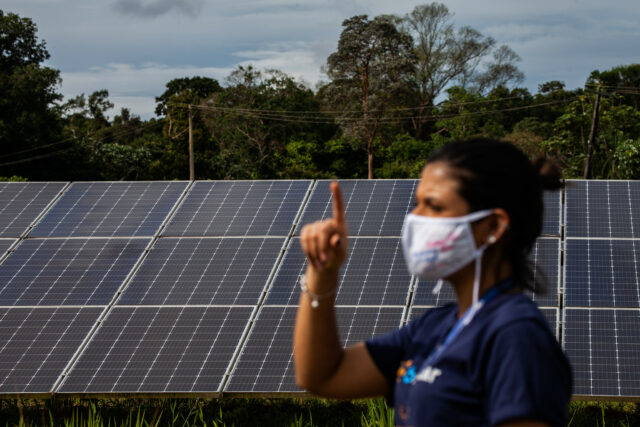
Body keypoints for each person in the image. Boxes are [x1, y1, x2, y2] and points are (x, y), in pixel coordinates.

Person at [294, 138, 572, 427]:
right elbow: (322, 375)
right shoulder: (434, 329)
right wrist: (322, 270)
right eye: (417, 204)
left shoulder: (515, 336)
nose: (415, 217)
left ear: (492, 227)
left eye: (434, 206)